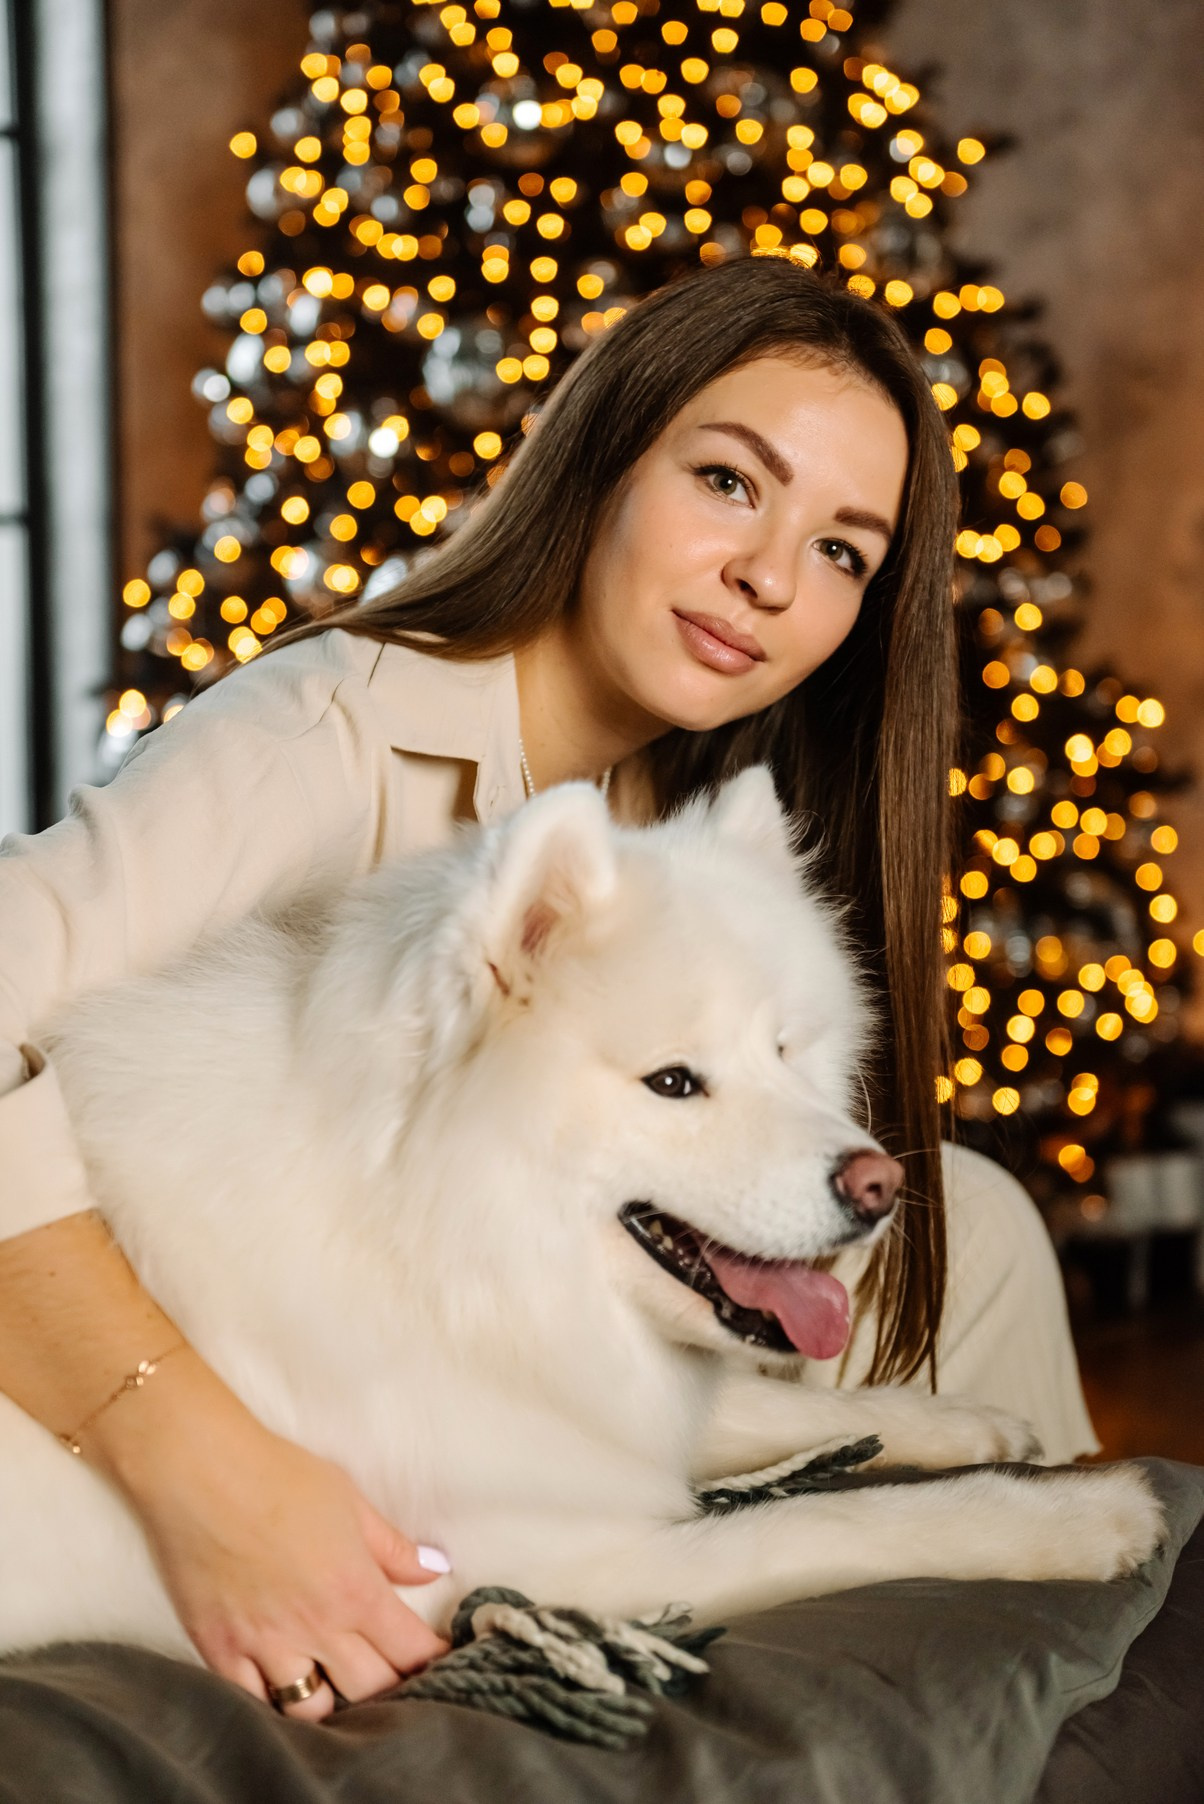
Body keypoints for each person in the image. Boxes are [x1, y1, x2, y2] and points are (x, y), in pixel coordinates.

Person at [0, 254, 1096, 1723]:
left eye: (844, 550)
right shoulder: (324, 735)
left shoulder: (687, 792)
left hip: (499, 1346)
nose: (773, 578)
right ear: (602, 458)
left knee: (992, 1229)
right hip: (217, 1353)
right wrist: (203, 1462)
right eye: (729, 483)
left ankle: (1068, 1681)